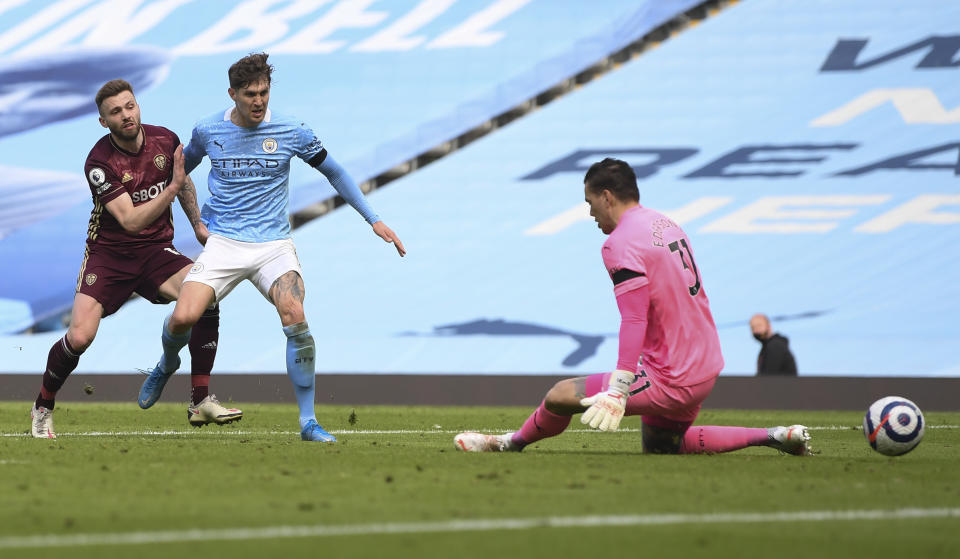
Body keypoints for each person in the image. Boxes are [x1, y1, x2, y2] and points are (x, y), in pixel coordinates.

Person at [454, 158, 812, 455]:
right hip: (706, 362)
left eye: (590, 203)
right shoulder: (665, 223)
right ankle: (777, 435)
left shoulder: (620, 244)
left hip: (672, 373)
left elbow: (634, 317)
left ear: (607, 197)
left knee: (560, 395)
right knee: (662, 447)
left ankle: (508, 444)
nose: (591, 213)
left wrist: (620, 387)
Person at [137, 53, 406, 443]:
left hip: (273, 245)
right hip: (224, 242)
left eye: (264, 92)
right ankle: (167, 363)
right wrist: (195, 223)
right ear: (233, 94)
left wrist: (374, 219)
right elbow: (178, 177)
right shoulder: (207, 130)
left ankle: (309, 422)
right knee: (182, 319)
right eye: (250, 93)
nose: (259, 100)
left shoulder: (292, 129)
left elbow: (335, 171)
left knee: (295, 313)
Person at [30, 79, 241, 439]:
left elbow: (184, 182)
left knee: (205, 294)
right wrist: (171, 188)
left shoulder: (166, 141)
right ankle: (42, 408)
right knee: (80, 337)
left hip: (156, 251)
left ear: (138, 106)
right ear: (104, 122)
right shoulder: (99, 162)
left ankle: (200, 401)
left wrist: (197, 225)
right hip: (108, 255)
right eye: (115, 111)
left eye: (130, 106)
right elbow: (129, 220)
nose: (126, 115)